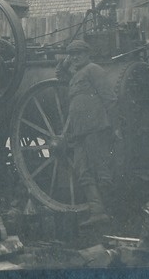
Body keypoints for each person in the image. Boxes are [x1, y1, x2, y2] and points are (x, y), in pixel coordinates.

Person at [56, 39, 119, 227]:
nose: (75, 57)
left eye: (78, 53)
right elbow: (59, 74)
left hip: (96, 128)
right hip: (78, 132)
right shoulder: (75, 75)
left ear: (87, 54)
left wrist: (114, 127)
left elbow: (110, 99)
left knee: (101, 170)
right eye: (72, 54)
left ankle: (113, 212)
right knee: (82, 170)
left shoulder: (94, 70)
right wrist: (66, 62)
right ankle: (97, 212)